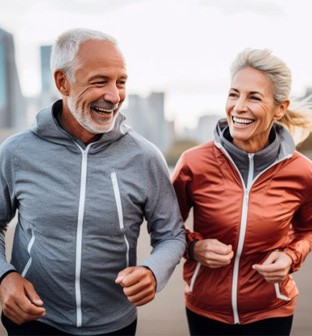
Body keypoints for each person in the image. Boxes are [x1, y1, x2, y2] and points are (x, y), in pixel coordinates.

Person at [0, 27, 186, 336]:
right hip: (33, 322)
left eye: (121, 82)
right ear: (63, 82)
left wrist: (154, 271)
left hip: (115, 326)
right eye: (100, 81)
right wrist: (4, 277)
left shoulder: (145, 157)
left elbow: (172, 235)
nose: (114, 96)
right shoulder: (16, 152)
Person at [172, 48, 312, 336]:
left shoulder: (302, 172)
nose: (238, 107)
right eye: (234, 94)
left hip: (272, 309)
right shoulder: (193, 163)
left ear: (280, 108)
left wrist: (290, 256)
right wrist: (194, 248)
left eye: (254, 97)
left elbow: (308, 229)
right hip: (205, 309)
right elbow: (167, 225)